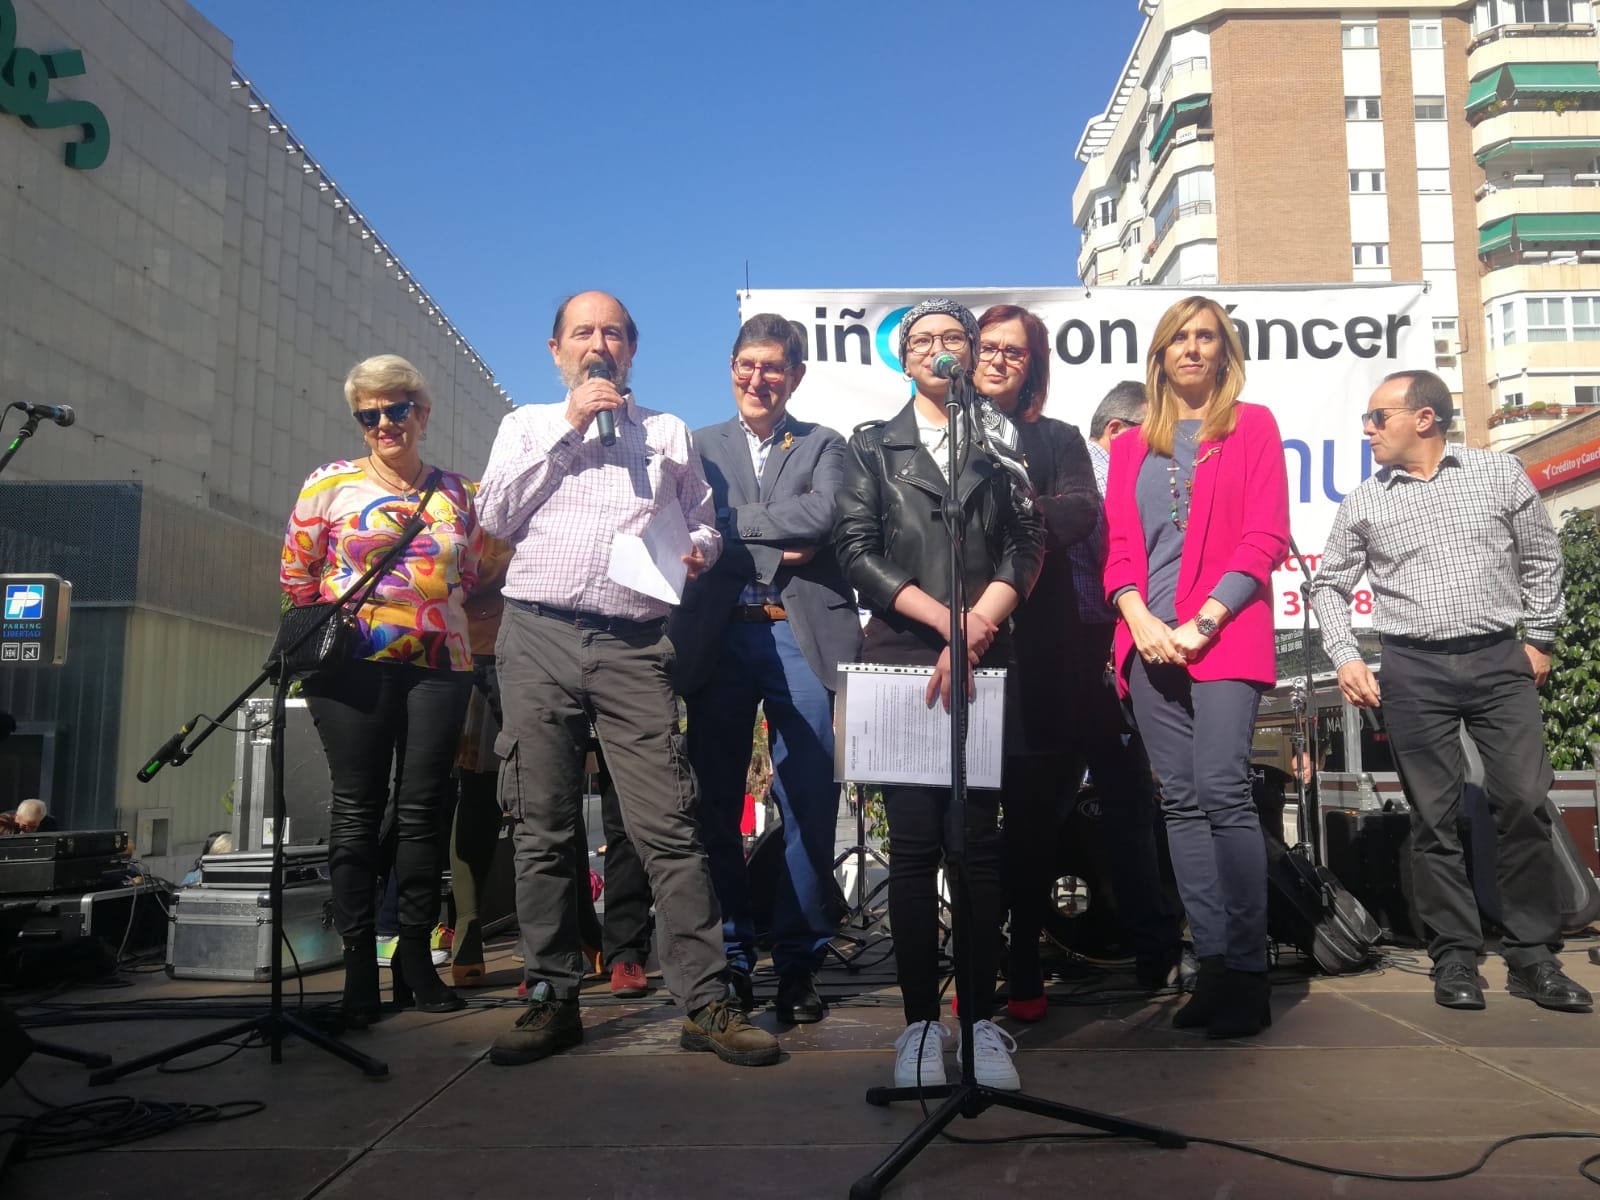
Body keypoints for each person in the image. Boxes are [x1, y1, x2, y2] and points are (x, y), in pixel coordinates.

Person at [477, 290, 779, 1069]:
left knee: (669, 827)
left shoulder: (668, 432)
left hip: (636, 643)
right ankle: (552, 996)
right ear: (557, 351)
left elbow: (706, 520)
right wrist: (572, 428)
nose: (598, 342)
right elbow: (496, 516)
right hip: (537, 634)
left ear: (632, 350)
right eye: (583, 332)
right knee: (542, 825)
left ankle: (706, 1000)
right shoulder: (526, 426)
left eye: (612, 332)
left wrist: (701, 551)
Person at [1309, 369, 1589, 1014]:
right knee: (1434, 820)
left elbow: (1542, 557)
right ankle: (1455, 954)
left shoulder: (1497, 474)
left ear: (1424, 419)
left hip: (1497, 658)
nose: (1368, 429)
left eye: (1379, 416)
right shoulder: (1365, 500)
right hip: (1412, 668)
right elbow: (1329, 584)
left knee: (1521, 799)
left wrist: (1540, 638)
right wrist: (1347, 656)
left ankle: (1532, 956)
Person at [835, 298, 1045, 1091]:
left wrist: (979, 623)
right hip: (900, 656)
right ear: (902, 359)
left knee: (977, 849)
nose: (937, 350)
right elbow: (855, 551)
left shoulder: (1000, 440)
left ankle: (981, 1025)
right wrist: (942, 623)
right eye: (920, 341)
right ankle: (920, 1025)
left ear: (970, 351)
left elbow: (1028, 542)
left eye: (951, 338)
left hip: (985, 655)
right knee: (917, 850)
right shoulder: (871, 447)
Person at [670, 312, 863, 1025]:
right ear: (731, 368)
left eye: (773, 367)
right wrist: (773, 542)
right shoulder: (695, 446)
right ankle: (732, 958)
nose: (759, 378)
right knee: (715, 804)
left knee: (810, 800)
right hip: (719, 642)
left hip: (800, 637)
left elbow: (822, 518)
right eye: (747, 365)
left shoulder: (825, 443)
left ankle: (801, 958)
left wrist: (729, 532)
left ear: (796, 376)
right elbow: (688, 523)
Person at [1104, 294, 1289, 1039]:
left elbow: (1267, 534)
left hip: (1225, 634)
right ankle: (1210, 963)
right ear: (1159, 353)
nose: (1192, 348)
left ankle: (1247, 969)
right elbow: (1118, 548)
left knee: (1222, 791)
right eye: (1179, 337)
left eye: (1206, 336)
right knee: (1178, 800)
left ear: (1224, 351)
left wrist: (1205, 617)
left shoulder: (1252, 426)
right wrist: (1138, 616)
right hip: (1148, 643)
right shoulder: (1127, 448)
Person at [281, 354, 480, 1024]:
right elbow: (297, 577)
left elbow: (471, 576)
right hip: (350, 668)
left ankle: (417, 960)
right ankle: (359, 968)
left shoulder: (457, 491)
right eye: (369, 415)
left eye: (396, 409)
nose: (384, 424)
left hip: (439, 664)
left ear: (421, 413)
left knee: (425, 810)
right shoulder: (327, 484)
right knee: (356, 809)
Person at [969, 304, 1103, 1019]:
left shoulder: (1055, 438)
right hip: (960, 651)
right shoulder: (940, 438)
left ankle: (1024, 962)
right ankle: (974, 962)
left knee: (1029, 824)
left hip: (1040, 660)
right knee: (968, 824)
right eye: (986, 348)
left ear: (1033, 368)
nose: (995, 360)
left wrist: (1012, 521)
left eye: (1013, 353)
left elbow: (1081, 509)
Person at [1056, 378, 1185, 990]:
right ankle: (1152, 946)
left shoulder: (1063, 463)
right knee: (1130, 806)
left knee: (1055, 806)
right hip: (1095, 652)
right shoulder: (1110, 471)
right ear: (1117, 431)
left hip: (1079, 653)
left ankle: (1025, 947)